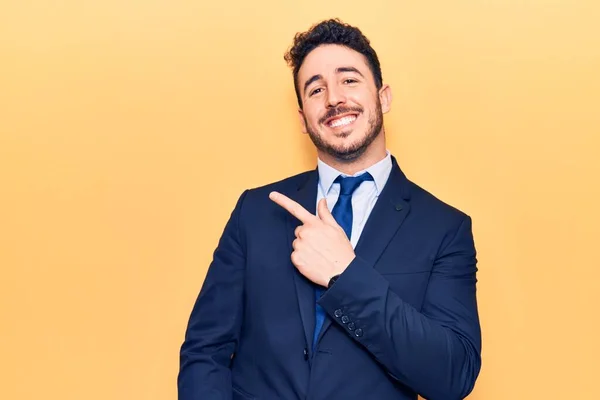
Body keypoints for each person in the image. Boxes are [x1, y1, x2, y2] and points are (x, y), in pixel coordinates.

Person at [178, 19, 481, 400]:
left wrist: (346, 275)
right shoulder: (255, 211)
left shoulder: (445, 228)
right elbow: (205, 350)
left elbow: (452, 375)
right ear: (303, 118)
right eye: (316, 88)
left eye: (349, 80)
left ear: (383, 97)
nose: (334, 98)